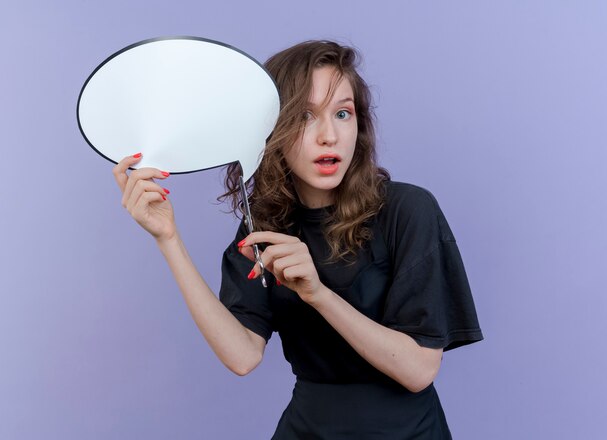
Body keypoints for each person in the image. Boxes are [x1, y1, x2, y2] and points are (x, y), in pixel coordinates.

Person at [112, 40, 483, 439]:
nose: (329, 135)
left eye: (343, 113)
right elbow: (242, 356)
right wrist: (168, 239)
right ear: (273, 130)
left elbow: (418, 371)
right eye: (306, 117)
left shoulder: (408, 210)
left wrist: (318, 294)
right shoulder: (267, 227)